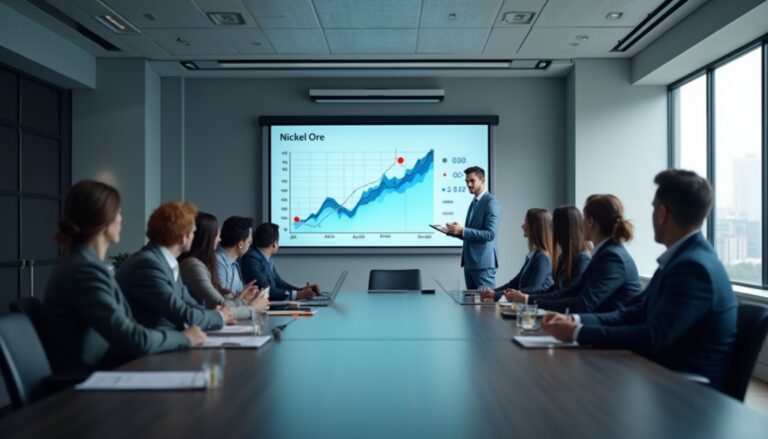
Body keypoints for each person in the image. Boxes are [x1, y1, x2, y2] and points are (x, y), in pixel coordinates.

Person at [543, 170, 737, 392]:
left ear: (662, 213)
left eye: (653, 208)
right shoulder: (684, 259)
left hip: (685, 394)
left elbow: (653, 336)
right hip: (660, 376)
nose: (652, 215)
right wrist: (575, 321)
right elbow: (632, 313)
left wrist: (577, 332)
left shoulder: (693, 268)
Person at [41, 181, 205, 375]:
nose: (121, 219)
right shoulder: (85, 271)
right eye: (118, 213)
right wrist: (185, 338)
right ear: (104, 221)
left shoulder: (81, 263)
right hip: (87, 381)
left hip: (107, 366)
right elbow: (134, 339)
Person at [506, 194, 642, 313]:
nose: (580, 223)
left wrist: (529, 300)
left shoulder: (611, 257)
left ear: (590, 221)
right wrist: (528, 298)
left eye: (583, 218)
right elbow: (571, 291)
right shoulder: (604, 253)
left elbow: (583, 304)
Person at [117, 201, 234, 331]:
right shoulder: (147, 265)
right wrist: (219, 316)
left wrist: (215, 314)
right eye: (194, 232)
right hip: (148, 347)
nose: (194, 237)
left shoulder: (166, 261)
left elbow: (189, 303)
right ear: (184, 237)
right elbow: (183, 314)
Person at [180, 212, 268, 320]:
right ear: (207, 238)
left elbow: (222, 303)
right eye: (216, 236)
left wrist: (244, 299)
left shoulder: (198, 264)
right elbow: (222, 305)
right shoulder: (194, 266)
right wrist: (254, 308)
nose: (219, 240)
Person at [503, 205, 591, 300]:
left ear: (562, 228)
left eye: (553, 224)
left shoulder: (582, 258)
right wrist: (525, 297)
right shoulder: (564, 257)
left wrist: (527, 298)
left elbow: (566, 294)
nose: (550, 227)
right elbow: (554, 290)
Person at [444, 166, 501, 290]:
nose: (469, 184)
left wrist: (462, 230)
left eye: (472, 181)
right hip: (470, 264)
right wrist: (453, 232)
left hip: (483, 264)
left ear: (483, 181)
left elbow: (490, 234)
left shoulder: (491, 203)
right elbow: (471, 235)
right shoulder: (474, 202)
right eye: (466, 181)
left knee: (487, 305)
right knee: (472, 306)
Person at [240, 222, 319, 301]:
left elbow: (278, 282)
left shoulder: (265, 258)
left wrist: (302, 291)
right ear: (275, 243)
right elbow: (265, 291)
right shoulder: (251, 258)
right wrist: (298, 294)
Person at [489, 208, 554, 301]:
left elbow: (531, 290)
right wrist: (494, 291)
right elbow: (515, 282)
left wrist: (496, 295)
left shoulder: (542, 257)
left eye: (525, 222)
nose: (522, 226)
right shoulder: (534, 254)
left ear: (535, 227)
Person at [216, 216, 254, 295]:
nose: (250, 245)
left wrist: (245, 292)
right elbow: (222, 298)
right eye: (249, 242)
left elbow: (235, 295)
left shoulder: (234, 263)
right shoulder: (217, 262)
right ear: (240, 244)